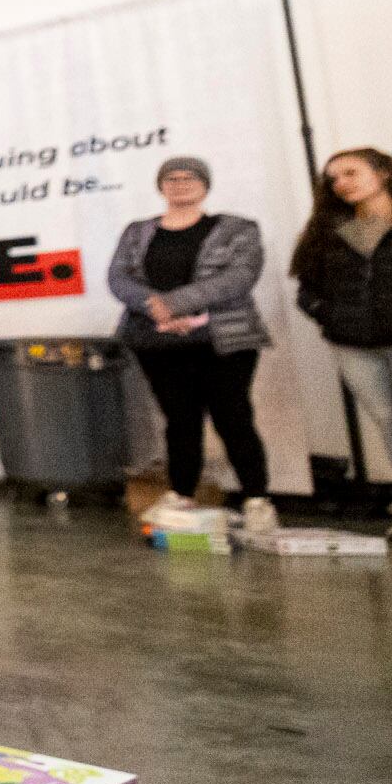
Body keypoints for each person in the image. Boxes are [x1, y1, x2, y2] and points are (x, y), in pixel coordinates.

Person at [108, 155, 278, 533]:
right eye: (171, 177)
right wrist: (155, 308)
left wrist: (175, 304)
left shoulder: (237, 228)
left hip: (223, 339)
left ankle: (257, 499)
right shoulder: (137, 231)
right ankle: (181, 494)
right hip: (157, 339)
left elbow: (239, 277)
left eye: (190, 177)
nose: (180, 183)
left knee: (232, 418)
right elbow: (119, 277)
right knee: (179, 421)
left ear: (205, 184)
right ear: (160, 185)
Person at [290, 146, 392, 514]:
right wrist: (329, 316)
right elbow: (307, 289)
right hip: (353, 344)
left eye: (350, 172)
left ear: (383, 173)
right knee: (388, 422)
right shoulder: (331, 229)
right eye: (333, 179)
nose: (340, 183)